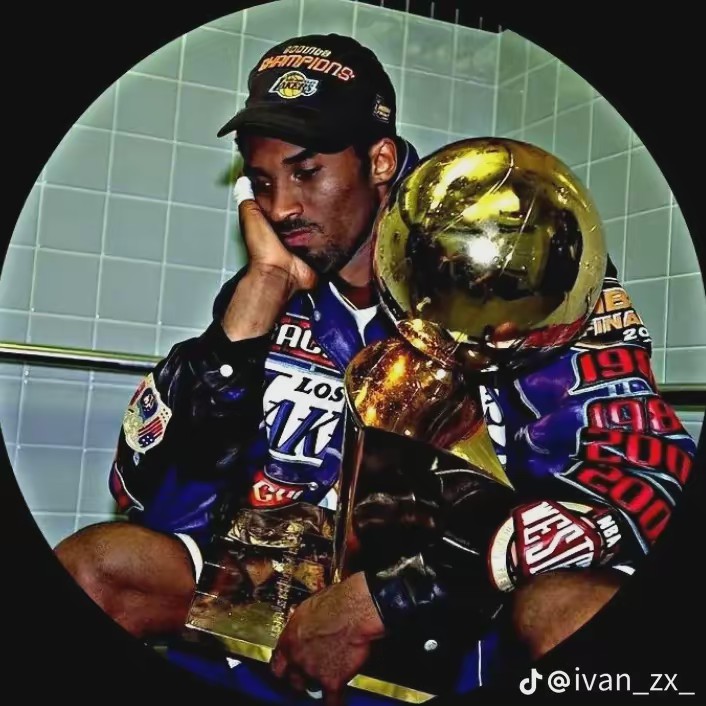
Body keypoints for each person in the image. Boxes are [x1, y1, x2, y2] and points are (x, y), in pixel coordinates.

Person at [54, 32, 697, 706]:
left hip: (458, 609)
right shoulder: (271, 291)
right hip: (272, 590)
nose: (281, 207)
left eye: (307, 173)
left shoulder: (510, 267)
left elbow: (642, 476)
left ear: (381, 160)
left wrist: (388, 596)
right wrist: (243, 325)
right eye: (263, 181)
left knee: (577, 613)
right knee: (95, 567)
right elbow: (153, 499)